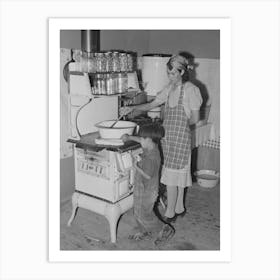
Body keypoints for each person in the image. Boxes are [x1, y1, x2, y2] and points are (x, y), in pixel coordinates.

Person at [121, 54, 202, 223]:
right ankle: (179, 207)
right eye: (168, 73)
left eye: (173, 73)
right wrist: (131, 109)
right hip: (168, 138)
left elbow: (195, 119)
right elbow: (152, 104)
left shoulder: (190, 90)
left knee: (174, 176)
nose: (170, 77)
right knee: (176, 175)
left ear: (182, 72)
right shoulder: (169, 89)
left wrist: (179, 127)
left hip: (180, 138)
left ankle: (170, 213)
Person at [121, 123, 175, 247]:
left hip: (148, 190)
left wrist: (136, 165)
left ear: (150, 140)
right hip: (142, 187)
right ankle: (145, 230)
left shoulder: (152, 156)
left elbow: (148, 175)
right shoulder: (150, 145)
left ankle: (165, 229)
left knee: (144, 214)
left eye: (143, 138)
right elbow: (141, 139)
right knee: (138, 212)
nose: (141, 140)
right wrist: (129, 137)